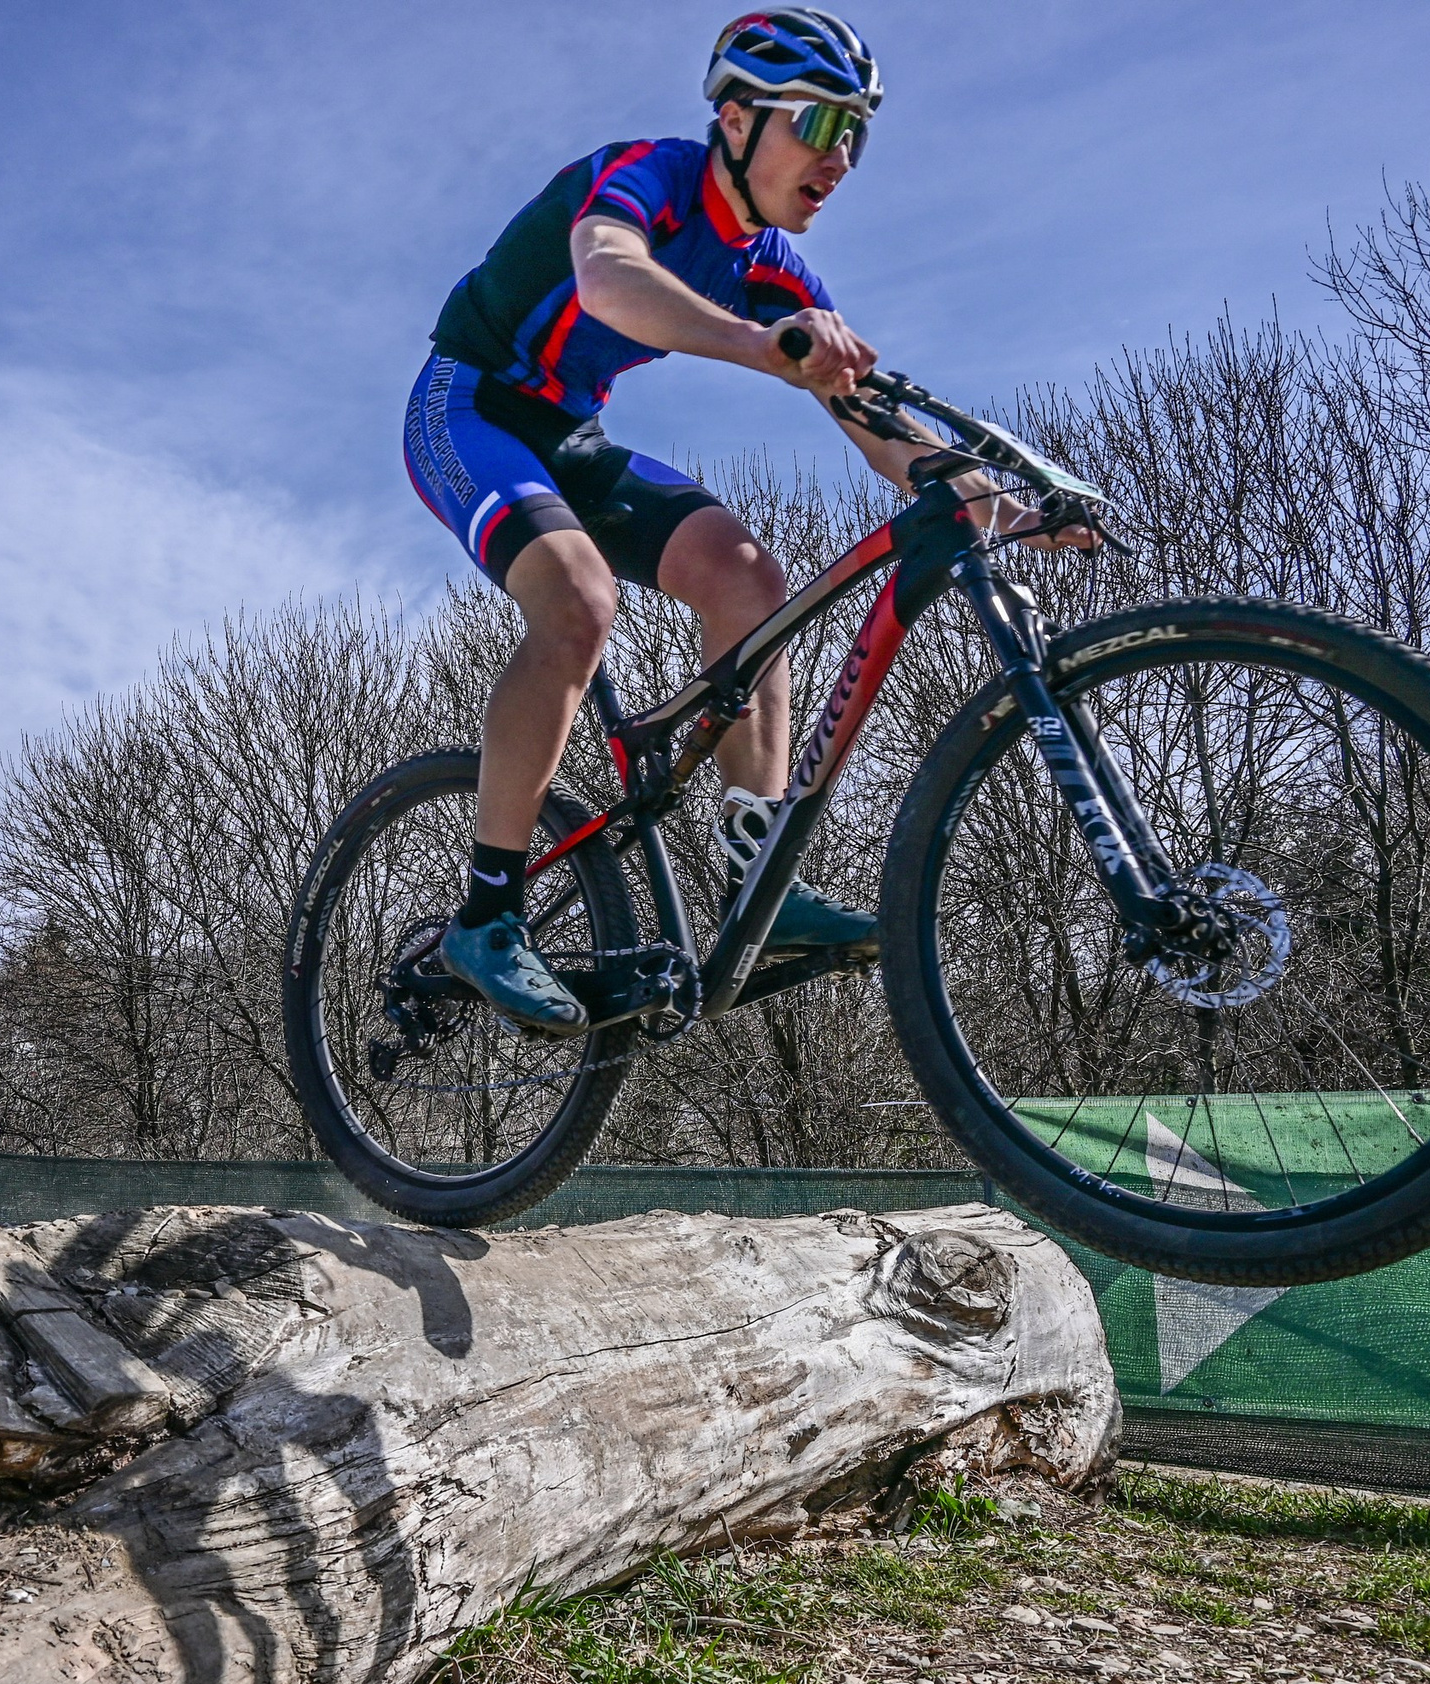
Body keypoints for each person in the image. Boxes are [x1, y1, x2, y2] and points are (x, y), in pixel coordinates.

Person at [404, 8, 1087, 1035]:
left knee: (750, 578)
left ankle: (755, 874)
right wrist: (760, 345)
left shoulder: (775, 269)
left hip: (572, 436)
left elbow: (874, 424)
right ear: (735, 120)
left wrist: (1005, 507)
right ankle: (487, 917)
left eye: (857, 136)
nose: (840, 158)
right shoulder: (650, 175)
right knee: (579, 602)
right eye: (820, 126)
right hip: (471, 407)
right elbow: (609, 278)